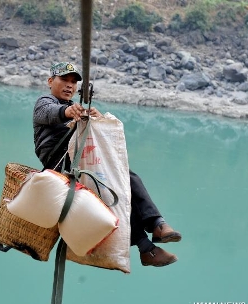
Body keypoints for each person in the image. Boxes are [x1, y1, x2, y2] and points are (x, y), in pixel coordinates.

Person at [33, 61, 182, 267]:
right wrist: (69, 114)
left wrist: (95, 120)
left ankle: (151, 237)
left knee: (124, 181)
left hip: (79, 161)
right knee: (122, 179)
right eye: (64, 80)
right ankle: (152, 233)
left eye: (73, 82)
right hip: (60, 165)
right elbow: (49, 113)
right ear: (50, 81)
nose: (69, 85)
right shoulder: (45, 101)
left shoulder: (72, 107)